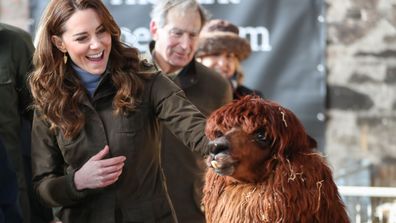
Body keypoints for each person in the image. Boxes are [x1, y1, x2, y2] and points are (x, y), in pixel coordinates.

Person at [29, 0, 211, 222]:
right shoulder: (48, 100)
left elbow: (191, 123)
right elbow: (43, 186)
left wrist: (218, 148)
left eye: (101, 31)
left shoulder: (145, 78)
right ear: (59, 43)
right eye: (82, 38)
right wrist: (77, 182)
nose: (96, 45)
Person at [147, 1, 233, 222]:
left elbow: (223, 156)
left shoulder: (217, 86)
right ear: (155, 29)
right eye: (177, 33)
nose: (186, 45)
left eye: (193, 35)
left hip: (192, 211)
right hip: (134, 211)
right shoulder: (125, 78)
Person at [195, 19, 263, 99]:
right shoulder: (184, 94)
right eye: (215, 54)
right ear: (199, 58)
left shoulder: (252, 99)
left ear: (236, 62)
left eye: (229, 56)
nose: (222, 63)